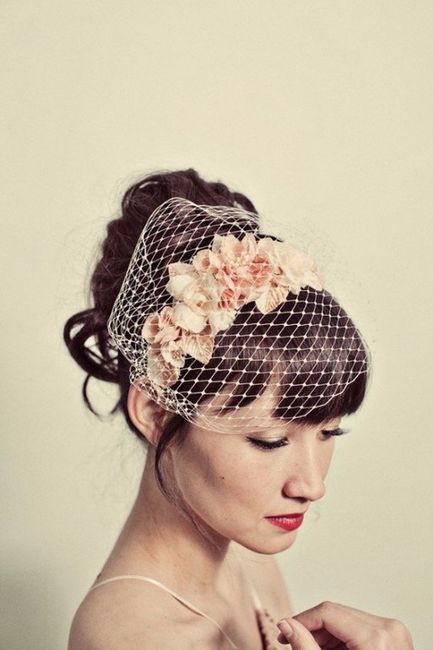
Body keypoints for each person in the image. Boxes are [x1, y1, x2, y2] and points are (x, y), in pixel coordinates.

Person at [64, 169, 413, 649]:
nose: (312, 486)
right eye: (269, 440)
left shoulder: (248, 557)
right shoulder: (133, 638)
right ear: (156, 412)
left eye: (329, 432)